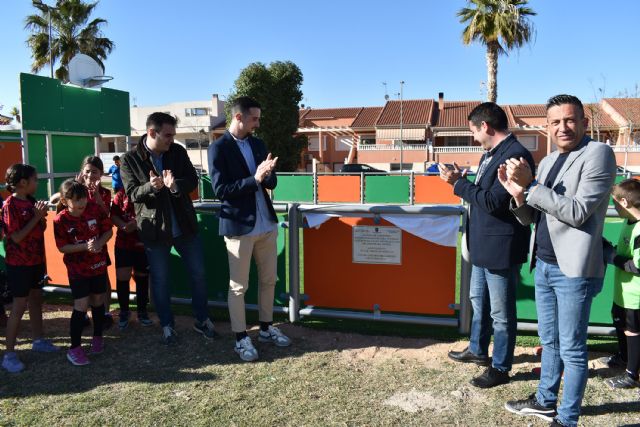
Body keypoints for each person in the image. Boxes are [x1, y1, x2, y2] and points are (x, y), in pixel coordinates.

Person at [499, 94, 616, 426]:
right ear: (547, 127)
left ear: (583, 123)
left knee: (573, 350)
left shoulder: (599, 154)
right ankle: (545, 400)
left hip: (574, 270)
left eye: (569, 120)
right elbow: (532, 218)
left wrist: (531, 186)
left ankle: (567, 418)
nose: (562, 127)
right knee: (549, 341)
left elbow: (578, 212)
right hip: (545, 264)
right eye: (555, 122)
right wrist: (518, 195)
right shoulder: (549, 161)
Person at [439, 102, 534, 388]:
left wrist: (457, 184)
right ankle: (478, 350)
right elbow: (484, 193)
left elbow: (494, 202)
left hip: (500, 248)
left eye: (472, 130)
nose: (473, 137)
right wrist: (465, 181)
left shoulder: (514, 154)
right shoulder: (491, 154)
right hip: (483, 245)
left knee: (502, 314)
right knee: (478, 302)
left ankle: (501, 367)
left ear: (485, 126)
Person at [120, 112, 216, 345]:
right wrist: (151, 187)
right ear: (152, 132)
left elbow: (192, 180)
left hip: (185, 226)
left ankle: (202, 320)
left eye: (172, 135)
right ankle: (167, 325)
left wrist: (175, 186)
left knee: (199, 275)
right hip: (154, 230)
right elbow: (132, 192)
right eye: (168, 135)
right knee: (161, 280)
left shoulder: (178, 152)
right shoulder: (129, 158)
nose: (171, 140)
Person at [209, 96, 290, 362]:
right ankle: (241, 338)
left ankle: (266, 329)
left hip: (266, 224)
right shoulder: (218, 148)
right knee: (238, 287)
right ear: (238, 117)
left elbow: (272, 183)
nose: (258, 123)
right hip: (238, 228)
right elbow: (221, 191)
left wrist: (267, 174)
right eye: (254, 118)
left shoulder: (258, 144)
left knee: (269, 281)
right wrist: (254, 178)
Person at [1, 164, 59, 372]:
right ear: (23, 183)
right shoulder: (9, 205)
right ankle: (9, 354)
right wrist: (36, 217)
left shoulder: (32, 202)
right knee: (19, 306)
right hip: (18, 264)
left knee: (36, 299)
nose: (37, 183)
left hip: (35, 261)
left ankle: (38, 340)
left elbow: (40, 227)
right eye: (35, 179)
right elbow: (15, 237)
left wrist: (40, 217)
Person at [54, 179, 113, 366]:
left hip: (98, 266)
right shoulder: (60, 220)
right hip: (78, 270)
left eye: (84, 199)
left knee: (97, 301)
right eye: (77, 200)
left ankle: (97, 338)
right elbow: (62, 247)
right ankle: (75, 348)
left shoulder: (94, 209)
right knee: (81, 305)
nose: (82, 203)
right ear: (64, 201)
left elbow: (108, 231)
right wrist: (83, 247)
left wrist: (99, 243)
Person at [601, 179, 640, 389]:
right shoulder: (629, 222)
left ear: (624, 202)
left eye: (615, 204)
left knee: (633, 331)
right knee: (620, 323)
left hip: (635, 296)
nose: (614, 208)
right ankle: (624, 358)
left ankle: (632, 375)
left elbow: (637, 266)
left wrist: (611, 255)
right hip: (622, 291)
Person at [78, 156, 114, 328]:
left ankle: (105, 311)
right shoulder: (75, 191)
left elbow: (108, 215)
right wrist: (75, 188)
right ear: (81, 173)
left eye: (94, 172)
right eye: (87, 171)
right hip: (78, 243)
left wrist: (98, 197)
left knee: (102, 276)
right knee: (81, 279)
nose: (90, 175)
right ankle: (82, 312)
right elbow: (60, 204)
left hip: (99, 241)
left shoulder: (106, 193)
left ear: (101, 174)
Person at [110, 187, 152, 329]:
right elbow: (113, 214)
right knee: (122, 277)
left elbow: (153, 214)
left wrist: (137, 224)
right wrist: (123, 226)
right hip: (123, 244)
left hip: (142, 243)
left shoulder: (147, 190)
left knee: (142, 277)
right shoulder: (121, 193)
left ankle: (142, 312)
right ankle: (124, 312)